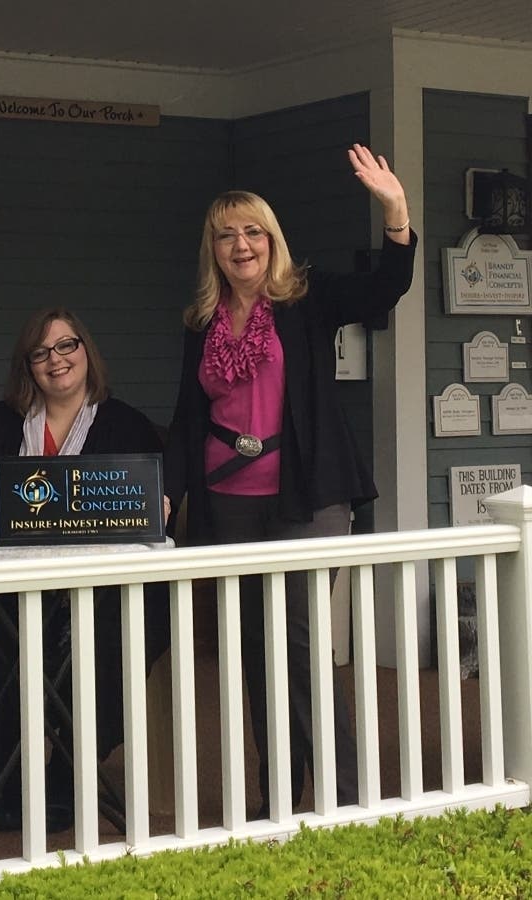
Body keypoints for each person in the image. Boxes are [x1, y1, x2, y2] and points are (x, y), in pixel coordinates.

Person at [163, 143, 416, 817]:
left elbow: (386, 287)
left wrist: (395, 213)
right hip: (227, 501)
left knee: (299, 643)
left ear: (272, 240)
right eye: (227, 235)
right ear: (212, 249)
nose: (241, 244)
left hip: (308, 496)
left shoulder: (305, 298)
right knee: (253, 650)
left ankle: (343, 798)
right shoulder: (201, 324)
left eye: (253, 231)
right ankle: (280, 795)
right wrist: (168, 490)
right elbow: (190, 417)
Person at [0, 308, 170, 830]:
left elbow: (152, 497)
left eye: (66, 346)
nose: (55, 360)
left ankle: (69, 767)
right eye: (40, 353)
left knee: (120, 634)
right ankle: (4, 773)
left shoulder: (126, 424)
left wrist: (160, 502)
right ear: (27, 367)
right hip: (7, 596)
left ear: (87, 353)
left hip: (96, 596)